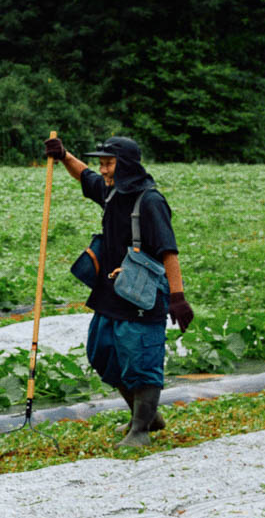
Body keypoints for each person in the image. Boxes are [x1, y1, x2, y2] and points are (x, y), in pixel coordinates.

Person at [44, 134, 193, 449]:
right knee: (104, 352)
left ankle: (140, 430)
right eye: (102, 163)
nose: (104, 170)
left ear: (125, 165)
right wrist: (64, 155)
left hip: (142, 293)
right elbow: (85, 176)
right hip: (111, 292)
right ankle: (147, 416)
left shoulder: (150, 201)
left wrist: (178, 298)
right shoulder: (111, 193)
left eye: (109, 163)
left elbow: (169, 252)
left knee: (141, 359)